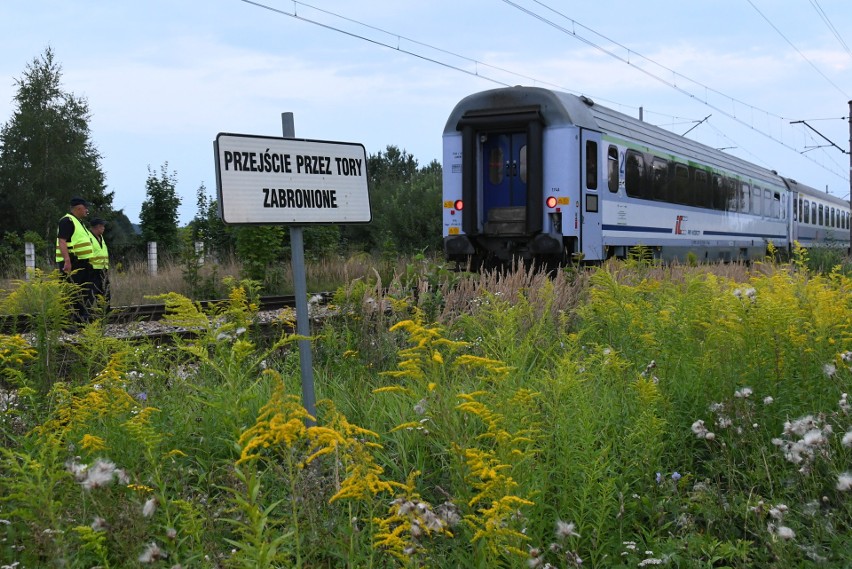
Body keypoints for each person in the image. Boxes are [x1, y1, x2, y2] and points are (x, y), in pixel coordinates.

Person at [55, 197, 96, 324]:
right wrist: (67, 261)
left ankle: (81, 319)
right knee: (70, 293)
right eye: (85, 208)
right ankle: (66, 322)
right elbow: (62, 241)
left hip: (82, 263)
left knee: (83, 292)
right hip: (72, 262)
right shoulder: (67, 221)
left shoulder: (78, 222)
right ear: (79, 208)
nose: (87, 210)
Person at [89, 217, 110, 309]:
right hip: (93, 269)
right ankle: (88, 312)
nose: (104, 228)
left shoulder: (101, 237)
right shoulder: (89, 237)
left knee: (105, 292)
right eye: (102, 226)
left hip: (103, 269)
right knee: (93, 292)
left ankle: (105, 311)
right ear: (96, 227)